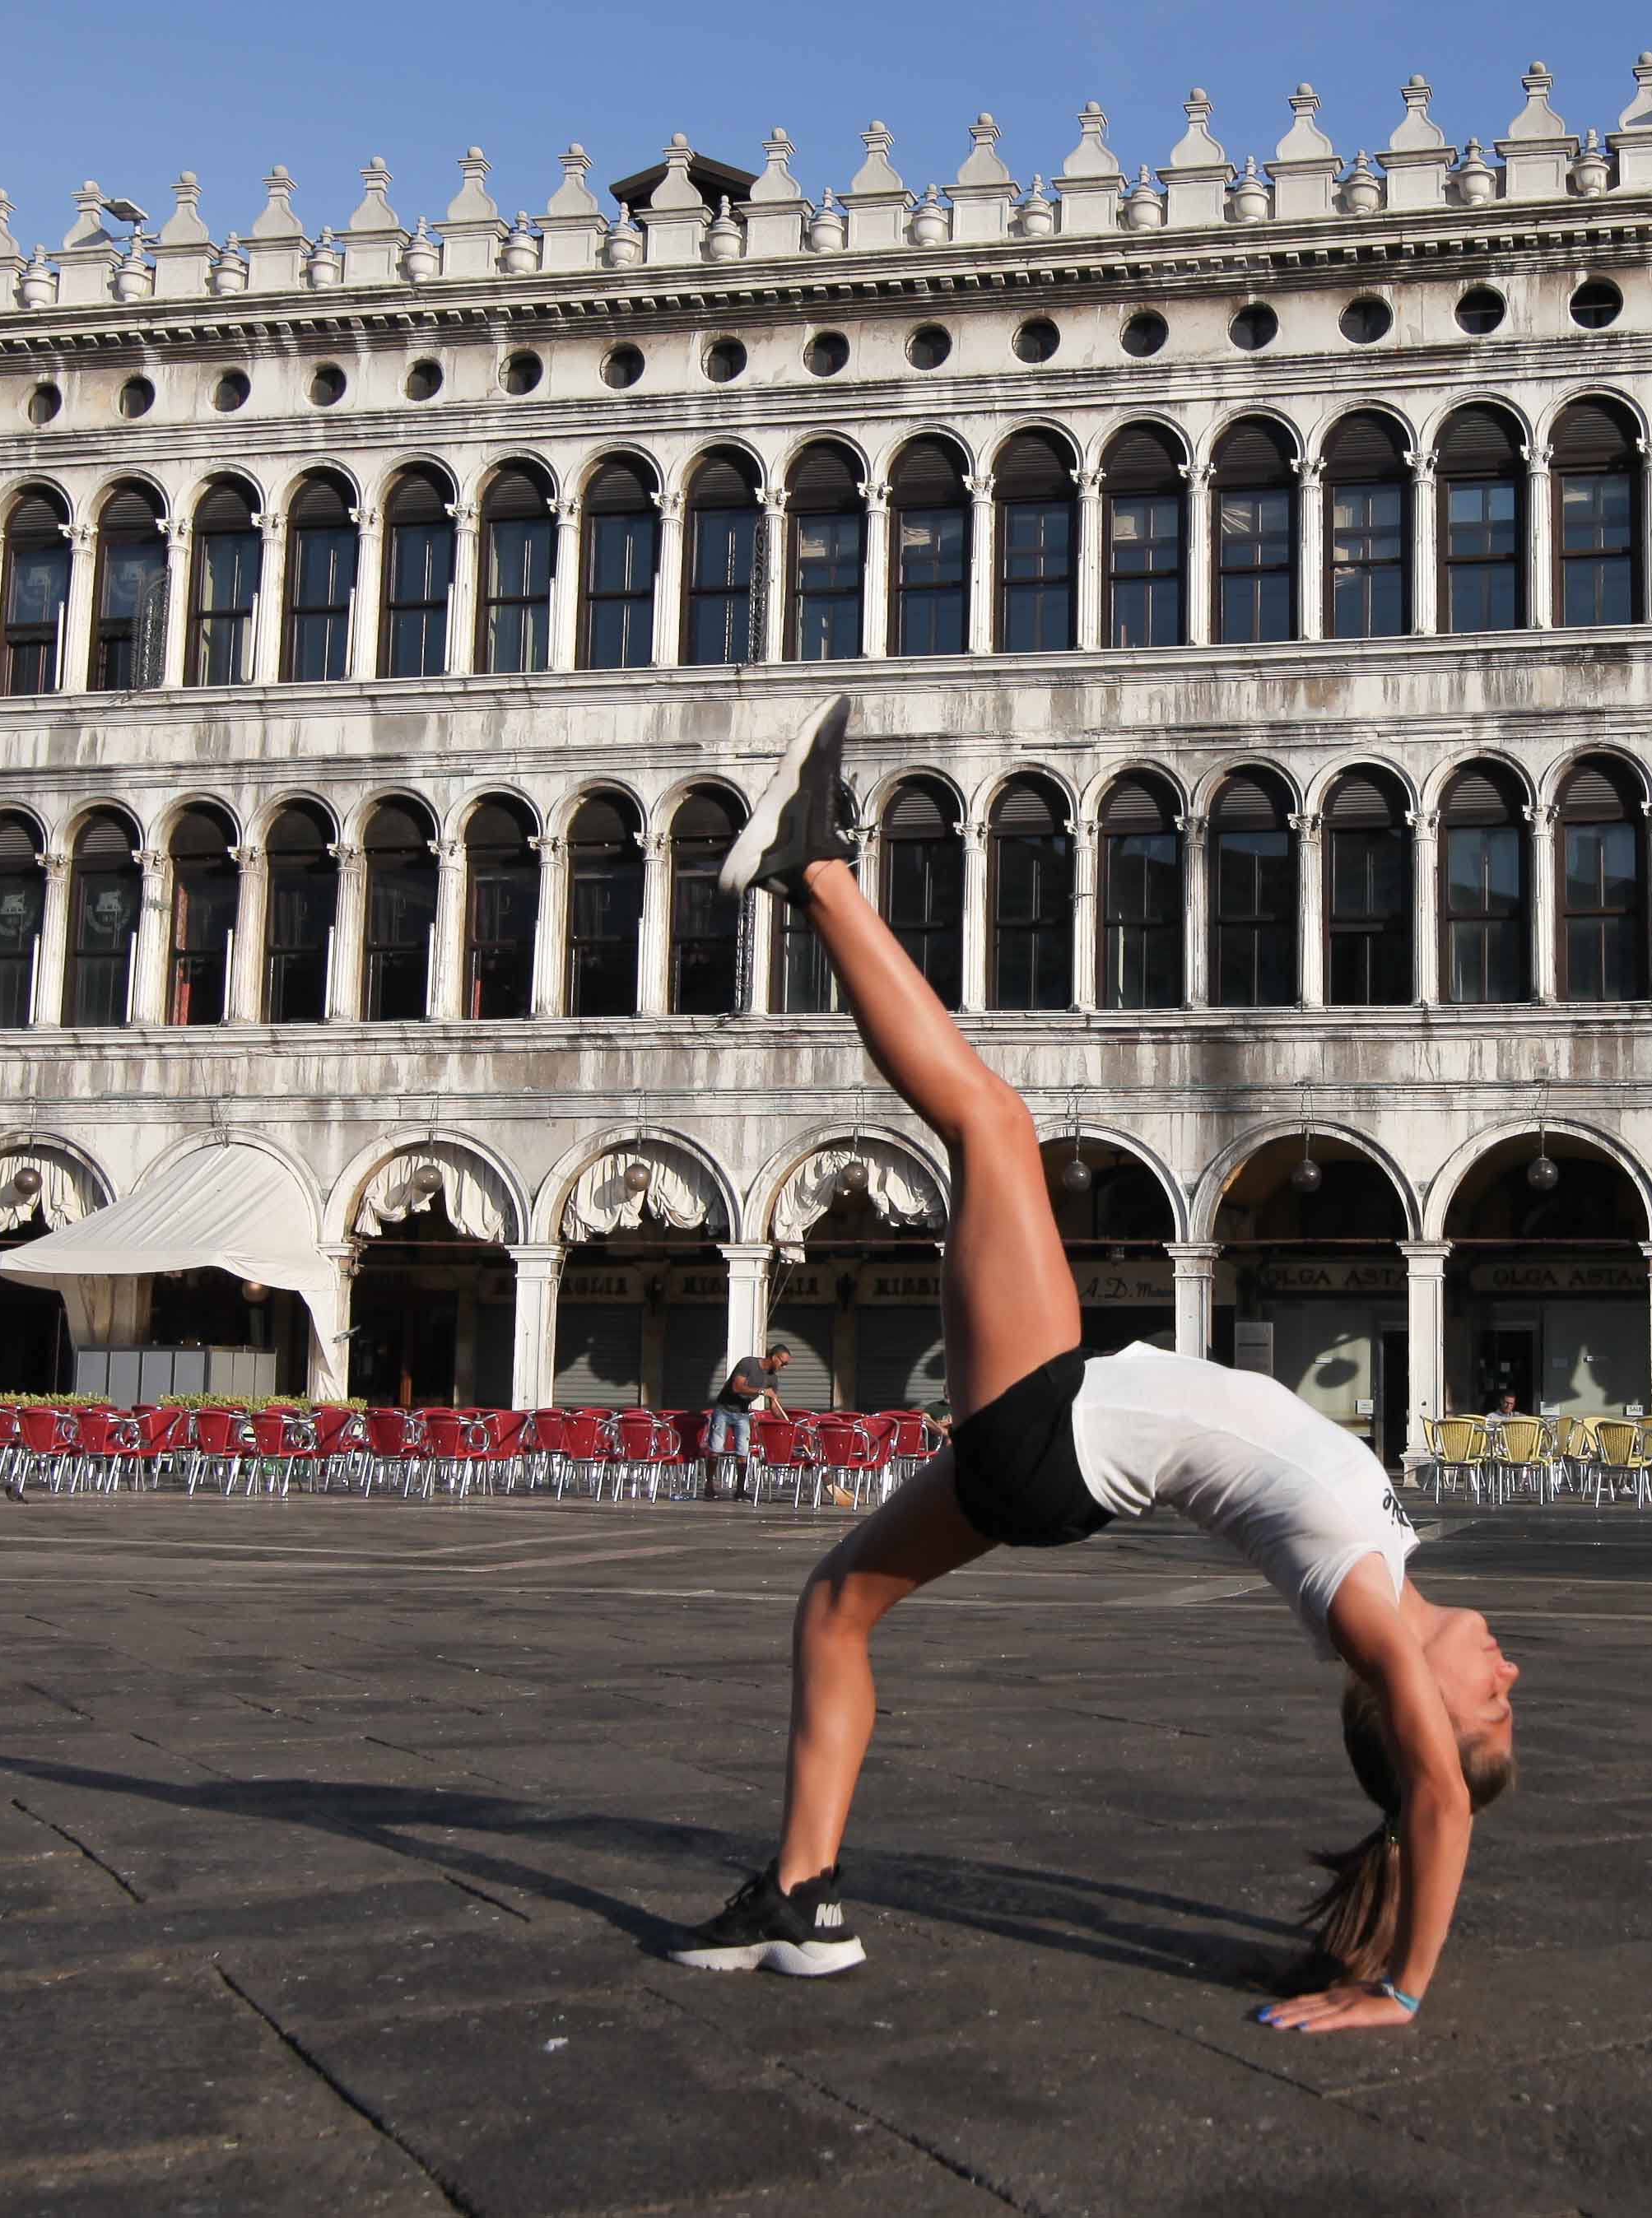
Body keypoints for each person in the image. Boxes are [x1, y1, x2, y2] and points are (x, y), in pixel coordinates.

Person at [665, 700, 1519, 2034]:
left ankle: (810, 867)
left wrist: (1404, 1986)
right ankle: (800, 1898)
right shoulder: (1384, 1565)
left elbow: (1433, 1794)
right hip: (1051, 1460)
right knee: (836, 1605)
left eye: (1493, 1714)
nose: (1507, 1680)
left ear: (1425, 1717)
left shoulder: (1368, 1616)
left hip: (1056, 1430)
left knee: (989, 1121)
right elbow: (1434, 1777)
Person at [703, 1346, 789, 1500]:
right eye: (783, 1363)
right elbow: (737, 1387)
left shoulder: (772, 1379)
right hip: (724, 1409)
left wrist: (785, 1422)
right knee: (716, 1448)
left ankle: (740, 1490)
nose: (784, 1367)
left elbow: (774, 1405)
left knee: (743, 1452)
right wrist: (762, 1391)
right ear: (774, 1357)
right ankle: (709, 1485)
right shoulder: (748, 1364)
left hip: (742, 1413)